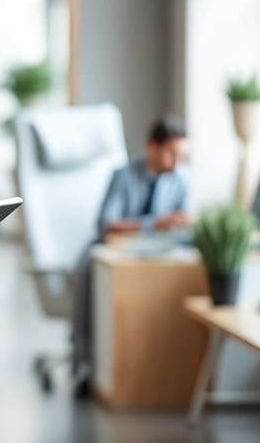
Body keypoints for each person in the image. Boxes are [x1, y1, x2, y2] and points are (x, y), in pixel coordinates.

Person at [70, 114, 193, 394]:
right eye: (172, 154)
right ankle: (84, 361)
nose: (177, 163)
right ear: (153, 148)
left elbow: (184, 223)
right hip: (112, 249)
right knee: (87, 270)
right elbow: (106, 225)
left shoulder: (181, 180)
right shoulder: (123, 175)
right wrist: (154, 223)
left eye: (182, 155)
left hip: (158, 253)